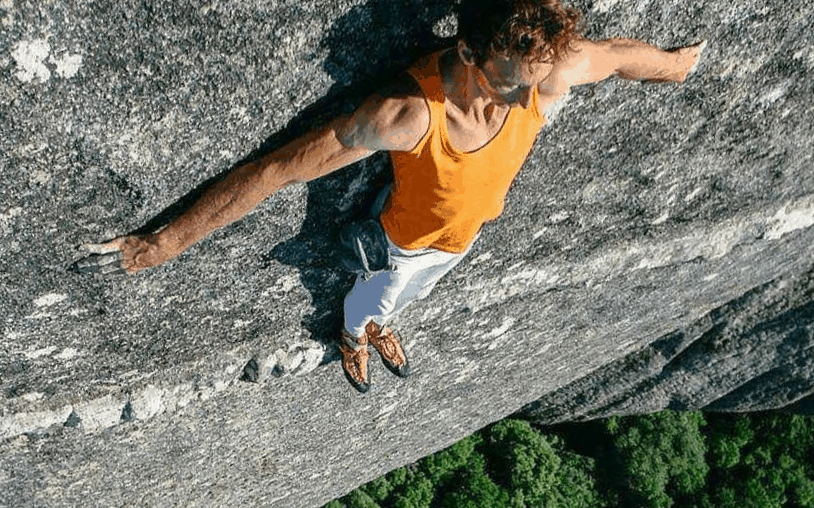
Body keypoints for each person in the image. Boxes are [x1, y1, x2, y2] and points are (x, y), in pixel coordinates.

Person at [76, 0, 705, 393]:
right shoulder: (409, 114)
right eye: (512, 86)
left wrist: (674, 66)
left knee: (414, 292)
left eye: (537, 85)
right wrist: (164, 242)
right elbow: (278, 171)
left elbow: (617, 58)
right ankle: (354, 336)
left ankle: (379, 323)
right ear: (467, 52)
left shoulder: (544, 68)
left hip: (460, 242)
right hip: (404, 242)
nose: (528, 104)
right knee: (377, 294)